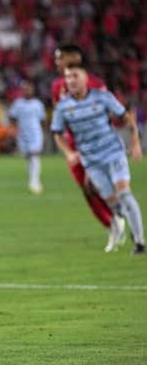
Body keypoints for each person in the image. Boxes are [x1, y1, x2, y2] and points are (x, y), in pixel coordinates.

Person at [51, 62, 144, 255]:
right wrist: (69, 153)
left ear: (85, 78)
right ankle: (126, 224)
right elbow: (57, 134)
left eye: (75, 76)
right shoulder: (63, 107)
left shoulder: (102, 98)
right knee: (113, 203)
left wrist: (135, 143)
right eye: (68, 77)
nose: (71, 81)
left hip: (113, 153)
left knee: (125, 194)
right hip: (91, 162)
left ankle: (140, 242)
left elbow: (127, 118)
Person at [9, 81, 46, 194]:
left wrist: (43, 134)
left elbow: (43, 120)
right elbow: (12, 118)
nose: (27, 91)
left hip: (36, 134)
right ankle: (32, 179)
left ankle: (35, 181)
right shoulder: (18, 104)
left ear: (33, 90)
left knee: (35, 155)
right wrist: (13, 130)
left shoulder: (38, 104)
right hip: (23, 135)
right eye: (25, 89)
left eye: (29, 89)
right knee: (28, 157)